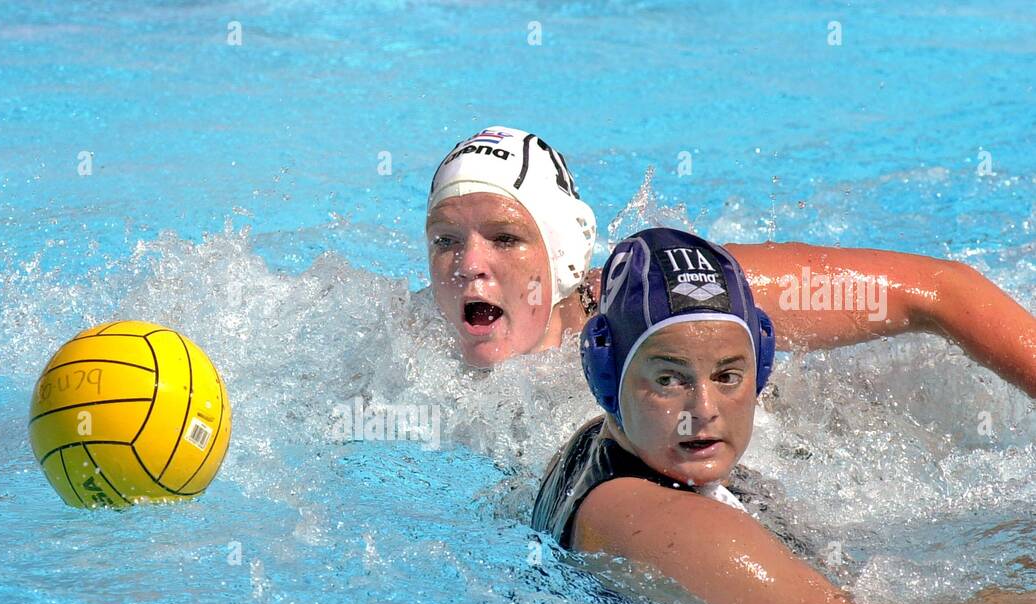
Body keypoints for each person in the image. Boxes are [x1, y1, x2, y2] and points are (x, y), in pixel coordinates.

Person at [531, 226, 1036, 604]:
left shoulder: (613, 450)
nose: (703, 410)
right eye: (669, 379)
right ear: (605, 375)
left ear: (761, 369)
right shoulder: (662, 522)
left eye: (728, 376)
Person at [426, 126, 1036, 398]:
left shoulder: (668, 290)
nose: (467, 265)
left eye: (505, 238)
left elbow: (942, 289)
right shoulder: (406, 353)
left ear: (560, 255)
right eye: (446, 240)